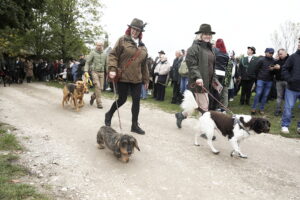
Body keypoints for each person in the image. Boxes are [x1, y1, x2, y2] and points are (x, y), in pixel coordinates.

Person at [105, 18, 149, 135]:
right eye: (133, 29)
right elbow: (113, 55)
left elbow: (144, 65)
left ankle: (134, 125)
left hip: (137, 79)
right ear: (130, 29)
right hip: (123, 76)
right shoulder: (122, 40)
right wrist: (112, 69)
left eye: (138, 30)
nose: (135, 31)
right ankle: (109, 114)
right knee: (122, 99)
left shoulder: (143, 47)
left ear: (140, 32)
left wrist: (146, 79)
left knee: (136, 101)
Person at [175, 23, 217, 128]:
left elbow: (211, 66)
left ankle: (181, 115)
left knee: (196, 106)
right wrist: (198, 77)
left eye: (209, 34)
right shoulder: (194, 48)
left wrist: (215, 80)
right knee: (204, 107)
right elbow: (192, 65)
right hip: (198, 82)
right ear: (201, 35)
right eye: (205, 34)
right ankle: (205, 130)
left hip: (207, 82)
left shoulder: (210, 48)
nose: (208, 36)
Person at [280, 38, 300, 134]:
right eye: (299, 42)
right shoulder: (293, 57)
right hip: (292, 88)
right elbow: (284, 69)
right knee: (288, 107)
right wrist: (290, 79)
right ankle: (285, 125)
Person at [251, 48, 275, 115]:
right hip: (261, 79)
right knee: (258, 93)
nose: (271, 54)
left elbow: (275, 71)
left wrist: (273, 70)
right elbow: (256, 69)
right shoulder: (261, 60)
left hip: (269, 81)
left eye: (272, 53)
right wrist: (258, 78)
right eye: (270, 53)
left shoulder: (274, 61)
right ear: (266, 52)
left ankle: (261, 109)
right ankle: (254, 108)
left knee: (265, 95)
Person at [84, 41, 107, 109]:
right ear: (96, 45)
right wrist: (86, 71)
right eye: (98, 45)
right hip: (94, 72)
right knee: (97, 86)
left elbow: (107, 64)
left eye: (101, 45)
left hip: (102, 72)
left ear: (102, 46)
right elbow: (87, 62)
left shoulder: (105, 54)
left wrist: (109, 72)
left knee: (101, 88)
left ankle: (93, 96)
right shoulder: (92, 53)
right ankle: (99, 103)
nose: (99, 46)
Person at [212, 38, 229, 111]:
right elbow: (227, 64)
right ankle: (220, 106)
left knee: (214, 89)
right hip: (223, 73)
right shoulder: (226, 53)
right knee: (220, 90)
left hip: (216, 72)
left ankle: (214, 106)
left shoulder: (215, 50)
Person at [273, 49, 289, 116]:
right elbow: (274, 72)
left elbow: (290, 69)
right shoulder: (277, 61)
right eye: (279, 54)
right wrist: (272, 69)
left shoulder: (290, 59)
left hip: (287, 81)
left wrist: (280, 67)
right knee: (279, 97)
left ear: (285, 53)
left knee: (288, 97)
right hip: (279, 81)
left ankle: (287, 111)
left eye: (281, 54)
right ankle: (278, 110)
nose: (280, 55)